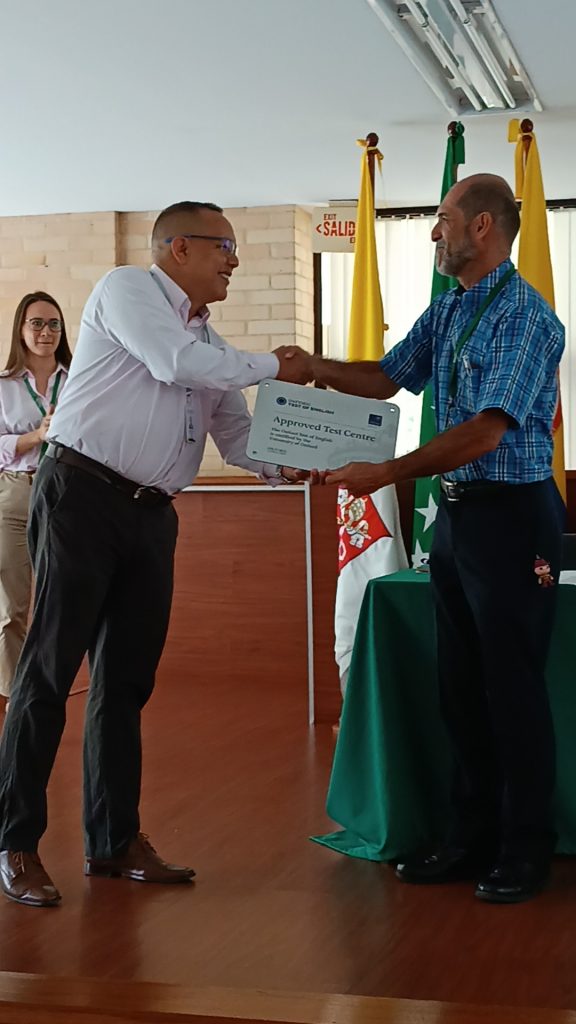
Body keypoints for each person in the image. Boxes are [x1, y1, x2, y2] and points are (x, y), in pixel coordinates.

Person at [0, 200, 313, 907]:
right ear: (178, 248)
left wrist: (292, 464)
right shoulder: (126, 290)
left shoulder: (210, 342)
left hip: (151, 516)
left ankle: (112, 841)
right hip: (80, 495)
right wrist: (279, 364)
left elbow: (237, 437)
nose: (234, 260)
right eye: (224, 247)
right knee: (48, 671)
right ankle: (16, 842)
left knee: (127, 683)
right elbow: (175, 362)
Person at [311, 173, 565, 904]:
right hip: (453, 517)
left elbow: (487, 431)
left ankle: (525, 848)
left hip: (512, 520)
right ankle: (468, 836)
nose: (434, 232)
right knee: (458, 685)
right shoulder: (450, 310)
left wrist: (387, 471)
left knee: (511, 688)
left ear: (484, 226)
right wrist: (307, 367)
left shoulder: (527, 316)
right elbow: (388, 378)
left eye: (445, 219)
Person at [0, 293, 71, 710]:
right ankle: (14, 693)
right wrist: (35, 436)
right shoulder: (5, 385)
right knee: (13, 604)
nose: (46, 332)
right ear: (21, 330)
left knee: (61, 597)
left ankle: (48, 687)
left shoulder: (82, 380)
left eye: (54, 324)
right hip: (15, 493)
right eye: (37, 323)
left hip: (69, 495)